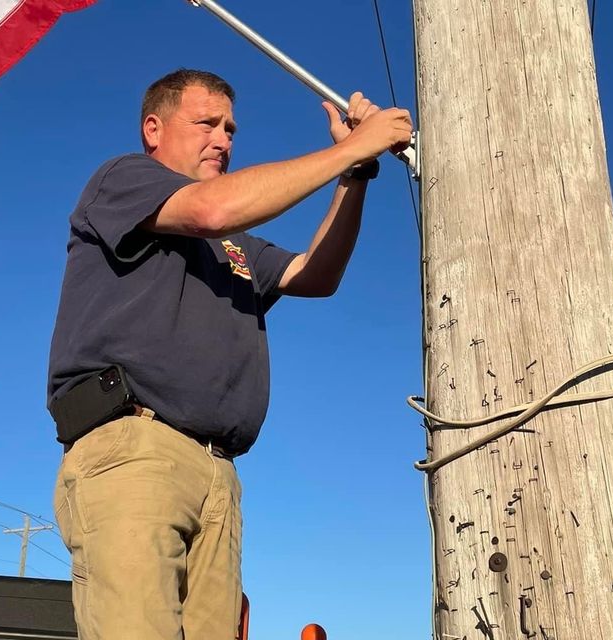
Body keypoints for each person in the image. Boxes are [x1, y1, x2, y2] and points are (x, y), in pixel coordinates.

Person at [49, 69, 411, 640]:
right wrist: (354, 144)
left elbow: (315, 275)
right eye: (206, 123)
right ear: (154, 128)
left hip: (218, 470)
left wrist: (355, 174)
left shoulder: (236, 247)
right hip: (135, 447)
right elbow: (210, 210)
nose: (223, 139)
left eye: (231, 128)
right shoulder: (123, 179)